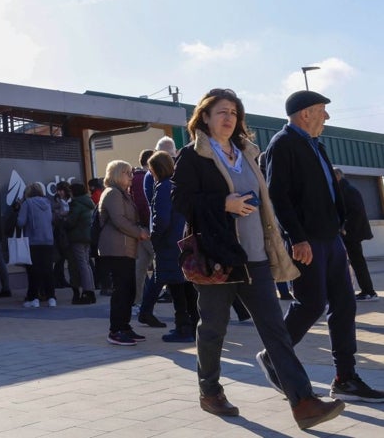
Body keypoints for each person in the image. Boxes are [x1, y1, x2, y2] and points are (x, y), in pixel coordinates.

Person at [172, 88, 345, 430]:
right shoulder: (192, 156)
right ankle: (210, 391)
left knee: (276, 332)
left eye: (234, 113)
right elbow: (181, 201)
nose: (229, 118)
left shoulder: (247, 152)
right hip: (220, 258)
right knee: (213, 330)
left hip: (256, 256)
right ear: (204, 117)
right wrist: (225, 203)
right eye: (221, 112)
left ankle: (304, 403)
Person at [265, 91, 384, 402]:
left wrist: (339, 224)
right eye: (322, 111)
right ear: (305, 114)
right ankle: (273, 356)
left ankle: (345, 377)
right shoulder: (283, 144)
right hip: (308, 241)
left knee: (345, 306)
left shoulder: (315, 144)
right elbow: (278, 195)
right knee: (311, 304)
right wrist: (297, 237)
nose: (327, 118)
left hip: (331, 239)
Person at [140, 151, 198, 342]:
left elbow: (161, 219)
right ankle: (194, 325)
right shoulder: (180, 185)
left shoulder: (163, 187)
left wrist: (155, 239)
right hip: (183, 242)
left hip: (169, 245)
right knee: (188, 286)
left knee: (176, 288)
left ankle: (183, 327)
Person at [98, 160, 149, 346]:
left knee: (129, 288)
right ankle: (116, 330)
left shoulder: (123, 194)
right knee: (122, 289)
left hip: (126, 248)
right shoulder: (112, 193)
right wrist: (140, 232)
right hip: (116, 249)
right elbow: (119, 220)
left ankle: (125, 326)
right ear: (117, 174)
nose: (131, 176)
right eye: (127, 173)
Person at [333, 167, 378, 301]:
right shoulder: (346, 189)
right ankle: (367, 290)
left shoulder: (347, 191)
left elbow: (355, 212)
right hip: (351, 234)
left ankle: (368, 291)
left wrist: (344, 228)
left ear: (337, 176)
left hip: (352, 234)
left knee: (358, 263)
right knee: (356, 263)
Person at [17, 182, 57, 307]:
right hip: (48, 240)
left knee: (33, 271)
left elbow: (21, 222)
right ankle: (51, 298)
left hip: (33, 241)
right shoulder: (48, 203)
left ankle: (34, 298)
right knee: (48, 270)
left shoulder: (27, 203)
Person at [65, 182, 96, 304]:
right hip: (87, 236)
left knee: (81, 264)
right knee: (86, 263)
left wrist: (64, 219)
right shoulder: (88, 202)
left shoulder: (76, 203)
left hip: (77, 237)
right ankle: (90, 290)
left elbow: (71, 222)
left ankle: (87, 291)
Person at [131, 149, 154, 309]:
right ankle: (144, 304)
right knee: (165, 266)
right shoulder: (145, 178)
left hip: (139, 229)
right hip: (148, 230)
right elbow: (145, 206)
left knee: (140, 269)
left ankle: (138, 303)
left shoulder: (134, 179)